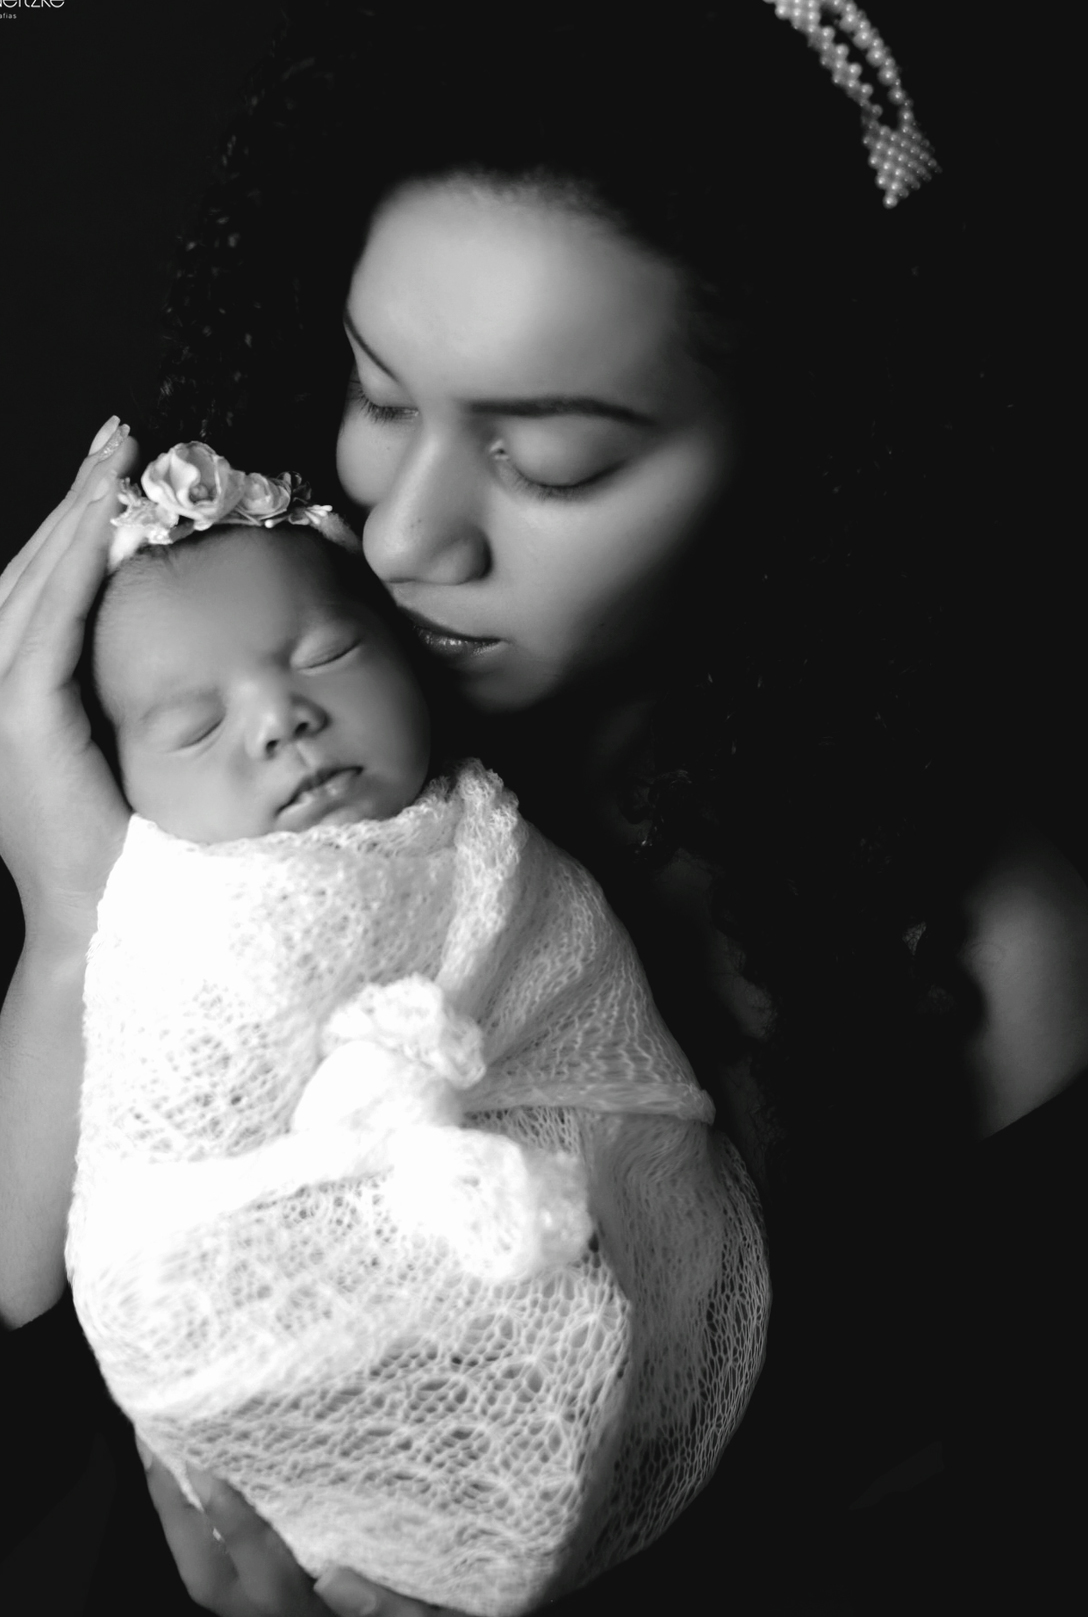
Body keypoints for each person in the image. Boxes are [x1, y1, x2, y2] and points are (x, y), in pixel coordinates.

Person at [0, 0, 1086, 1614]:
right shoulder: (210, 738)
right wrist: (74, 923)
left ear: (804, 458)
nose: (403, 534)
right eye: (380, 398)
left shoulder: (970, 948)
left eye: (551, 462)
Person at [69, 441, 765, 1613]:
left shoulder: (490, 835)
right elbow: (163, 1165)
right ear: (128, 788)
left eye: (329, 655)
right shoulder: (185, 913)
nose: (283, 718)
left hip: (568, 1291)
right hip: (292, 1307)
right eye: (193, 725)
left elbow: (587, 1024)